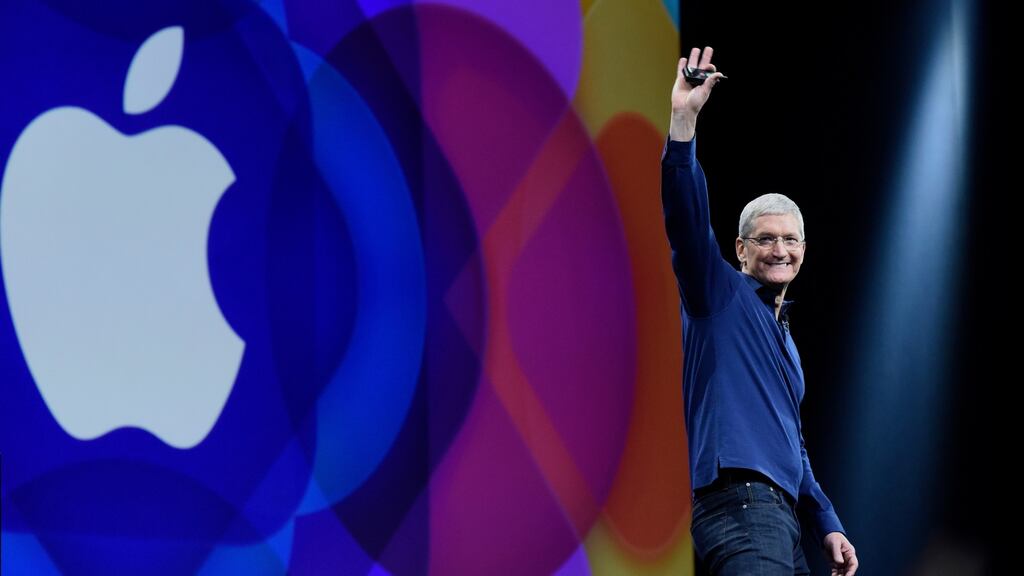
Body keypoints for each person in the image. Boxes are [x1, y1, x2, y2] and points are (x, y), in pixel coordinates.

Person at [661, 46, 858, 576]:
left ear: (804, 250)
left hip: (782, 519)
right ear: (741, 249)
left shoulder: (786, 340)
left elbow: (793, 445)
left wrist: (828, 521)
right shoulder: (718, 295)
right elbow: (685, 220)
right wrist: (684, 120)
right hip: (740, 504)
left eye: (790, 240)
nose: (780, 250)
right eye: (765, 239)